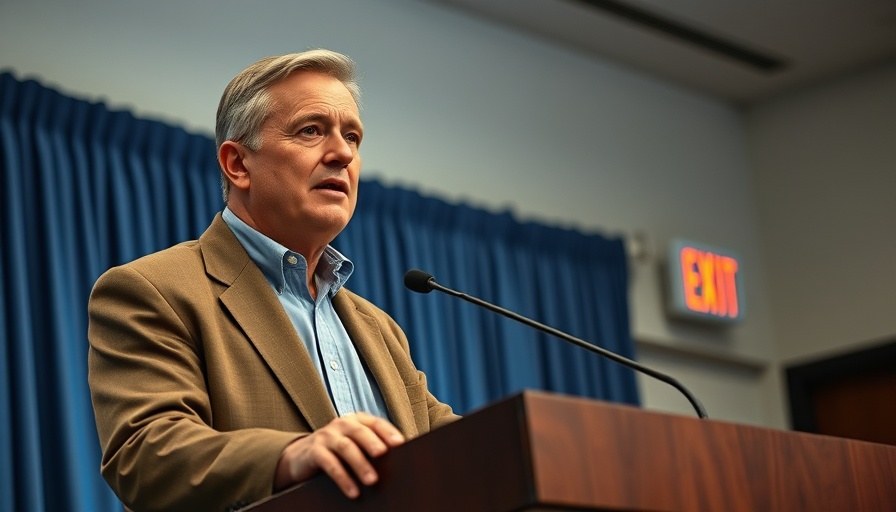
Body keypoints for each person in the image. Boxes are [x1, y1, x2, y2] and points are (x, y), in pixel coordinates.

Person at [87, 49, 459, 512]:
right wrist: (288, 455)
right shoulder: (153, 291)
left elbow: (463, 453)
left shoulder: (379, 329)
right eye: (311, 130)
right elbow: (146, 455)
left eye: (353, 137)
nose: (343, 153)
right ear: (238, 165)